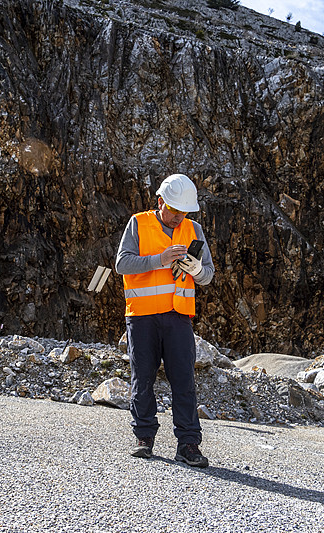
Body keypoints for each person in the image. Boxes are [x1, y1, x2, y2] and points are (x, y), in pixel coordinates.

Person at [115, 173, 215, 467]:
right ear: (160, 202)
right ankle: (144, 437)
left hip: (178, 318)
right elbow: (122, 264)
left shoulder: (193, 229)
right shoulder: (138, 223)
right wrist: (160, 259)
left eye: (183, 212)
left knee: (184, 381)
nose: (178, 217)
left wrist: (196, 270)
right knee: (142, 378)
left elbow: (208, 275)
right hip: (142, 317)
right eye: (173, 211)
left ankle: (188, 444)